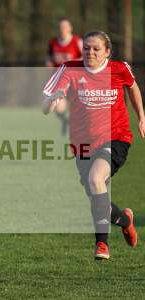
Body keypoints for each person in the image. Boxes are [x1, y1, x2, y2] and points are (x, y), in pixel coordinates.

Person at [43, 31, 145, 260]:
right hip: (82, 143)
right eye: (87, 48)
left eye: (96, 49)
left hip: (116, 137)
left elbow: (133, 86)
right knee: (96, 197)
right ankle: (126, 220)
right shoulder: (70, 69)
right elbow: (45, 106)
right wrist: (53, 101)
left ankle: (102, 244)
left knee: (95, 179)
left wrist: (141, 116)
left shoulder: (119, 69)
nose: (90, 52)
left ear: (107, 52)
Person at [46, 18, 83, 136]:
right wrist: (48, 63)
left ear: (70, 28)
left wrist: (72, 62)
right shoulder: (53, 43)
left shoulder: (77, 41)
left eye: (65, 27)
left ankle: (78, 131)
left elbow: (86, 58)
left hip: (75, 80)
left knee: (78, 109)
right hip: (59, 80)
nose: (63, 29)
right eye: (60, 27)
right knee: (57, 108)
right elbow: (49, 57)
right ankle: (65, 121)